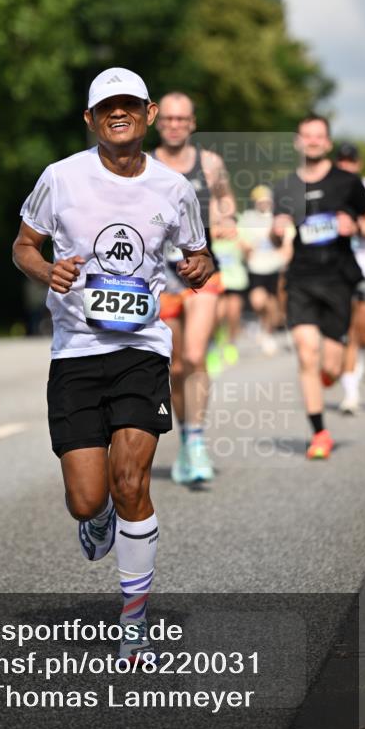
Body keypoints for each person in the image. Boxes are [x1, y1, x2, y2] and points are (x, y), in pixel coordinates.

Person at [12, 68, 213, 662]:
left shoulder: (175, 188)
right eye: (106, 107)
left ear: (148, 114)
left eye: (128, 105)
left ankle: (134, 624)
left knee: (132, 483)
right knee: (87, 498)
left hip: (141, 349)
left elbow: (198, 255)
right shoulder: (60, 178)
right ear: (90, 119)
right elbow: (23, 246)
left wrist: (200, 268)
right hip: (75, 351)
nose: (117, 114)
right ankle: (96, 517)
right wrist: (47, 271)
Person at [272, 117, 365, 459]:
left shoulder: (347, 182)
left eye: (319, 136)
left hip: (339, 279)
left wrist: (357, 226)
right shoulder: (285, 186)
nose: (313, 141)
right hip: (301, 277)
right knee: (307, 352)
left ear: (328, 142)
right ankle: (319, 433)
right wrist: (276, 229)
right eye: (308, 136)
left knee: (330, 366)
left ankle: (330, 376)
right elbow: (275, 233)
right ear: (298, 142)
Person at [153, 92, 235, 484]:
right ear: (157, 122)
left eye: (181, 119)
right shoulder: (144, 165)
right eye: (168, 119)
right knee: (176, 365)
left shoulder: (210, 163)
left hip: (203, 273)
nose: (174, 125)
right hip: (161, 278)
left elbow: (225, 200)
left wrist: (225, 220)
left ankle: (198, 440)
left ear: (192, 123)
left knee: (195, 354)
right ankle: (187, 438)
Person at [335, 143, 365, 413]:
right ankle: (350, 394)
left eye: (350, 161)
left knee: (364, 326)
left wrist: (358, 227)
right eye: (342, 161)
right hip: (338, 269)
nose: (346, 165)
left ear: (358, 163)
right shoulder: (330, 189)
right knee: (348, 331)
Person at [238, 186, 292, 356]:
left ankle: (270, 331)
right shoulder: (248, 218)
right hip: (257, 268)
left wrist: (284, 250)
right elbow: (241, 241)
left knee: (278, 305)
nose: (264, 204)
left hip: (277, 267)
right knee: (258, 302)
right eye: (260, 201)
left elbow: (288, 240)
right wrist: (246, 249)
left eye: (266, 201)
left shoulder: (279, 217)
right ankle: (265, 327)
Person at [212, 214, 251, 359]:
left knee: (233, 314)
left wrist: (240, 241)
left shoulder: (238, 239)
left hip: (236, 282)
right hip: (218, 283)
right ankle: (216, 341)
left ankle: (231, 342)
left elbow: (249, 252)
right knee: (218, 315)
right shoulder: (214, 241)